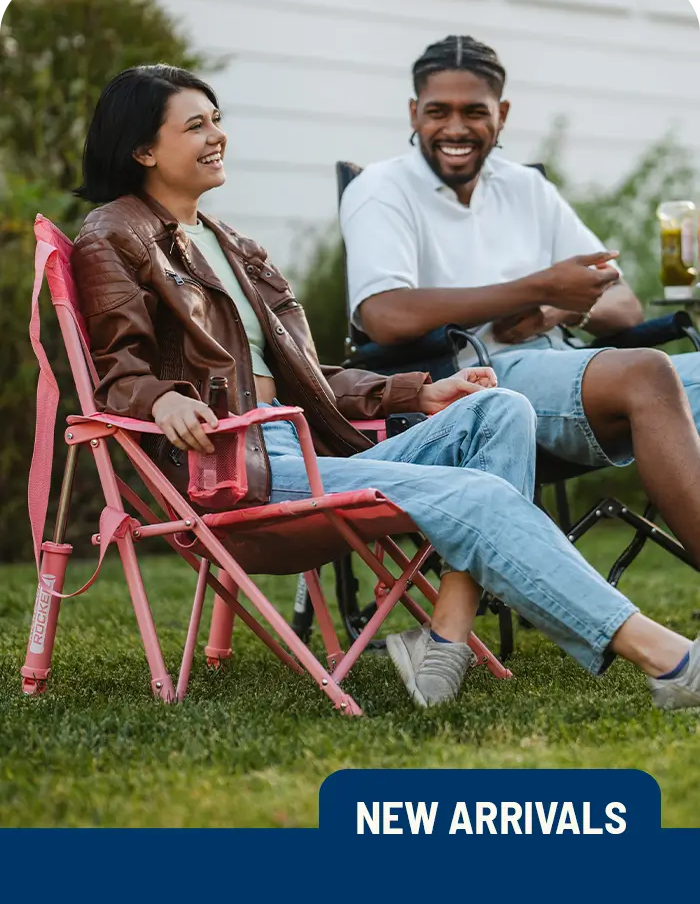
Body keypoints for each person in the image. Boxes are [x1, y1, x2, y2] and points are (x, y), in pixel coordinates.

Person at [71, 64, 699, 711]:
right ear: (144, 149)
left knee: (500, 409)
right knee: (476, 493)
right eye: (195, 126)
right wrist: (161, 398)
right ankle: (671, 660)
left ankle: (444, 635)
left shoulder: (234, 247)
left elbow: (310, 381)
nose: (217, 137)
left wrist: (414, 394)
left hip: (301, 453)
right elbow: (117, 369)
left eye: (218, 120)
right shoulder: (113, 234)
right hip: (232, 470)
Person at [340, 34, 700, 573]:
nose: (455, 128)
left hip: (562, 361)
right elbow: (384, 315)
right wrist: (537, 287)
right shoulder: (380, 189)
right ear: (414, 113)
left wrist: (556, 309)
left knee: (653, 372)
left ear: (502, 115)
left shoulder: (526, 188)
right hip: (473, 383)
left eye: (474, 112)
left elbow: (620, 302)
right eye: (437, 111)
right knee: (647, 373)